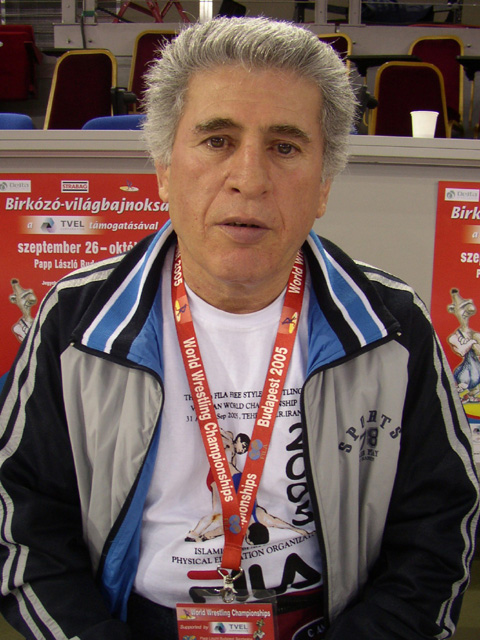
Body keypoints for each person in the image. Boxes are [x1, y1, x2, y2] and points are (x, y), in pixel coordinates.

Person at [0, 16, 478, 640]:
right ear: (164, 169)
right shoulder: (77, 321)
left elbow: (439, 531)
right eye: (217, 140)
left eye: (285, 147)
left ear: (324, 185)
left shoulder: (391, 328)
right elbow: (22, 523)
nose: (249, 179)